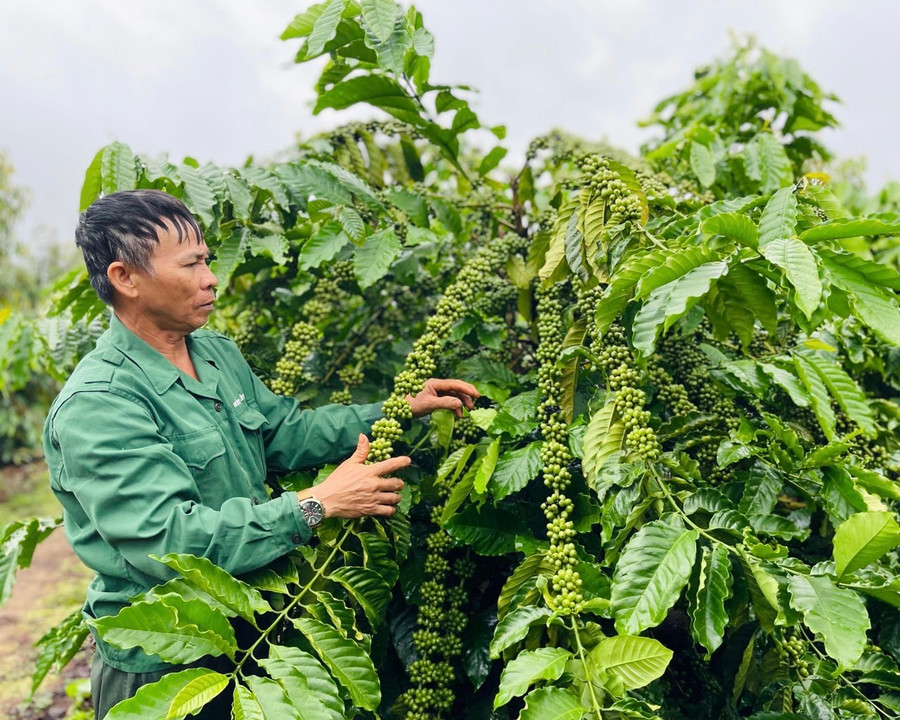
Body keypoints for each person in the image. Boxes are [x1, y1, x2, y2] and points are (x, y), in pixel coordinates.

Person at [43, 189, 478, 718]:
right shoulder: (101, 404)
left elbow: (283, 432)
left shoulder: (215, 353)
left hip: (256, 626)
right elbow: (170, 543)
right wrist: (316, 504)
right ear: (125, 278)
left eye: (207, 260)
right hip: (165, 658)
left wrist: (398, 409)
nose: (211, 278)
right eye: (192, 264)